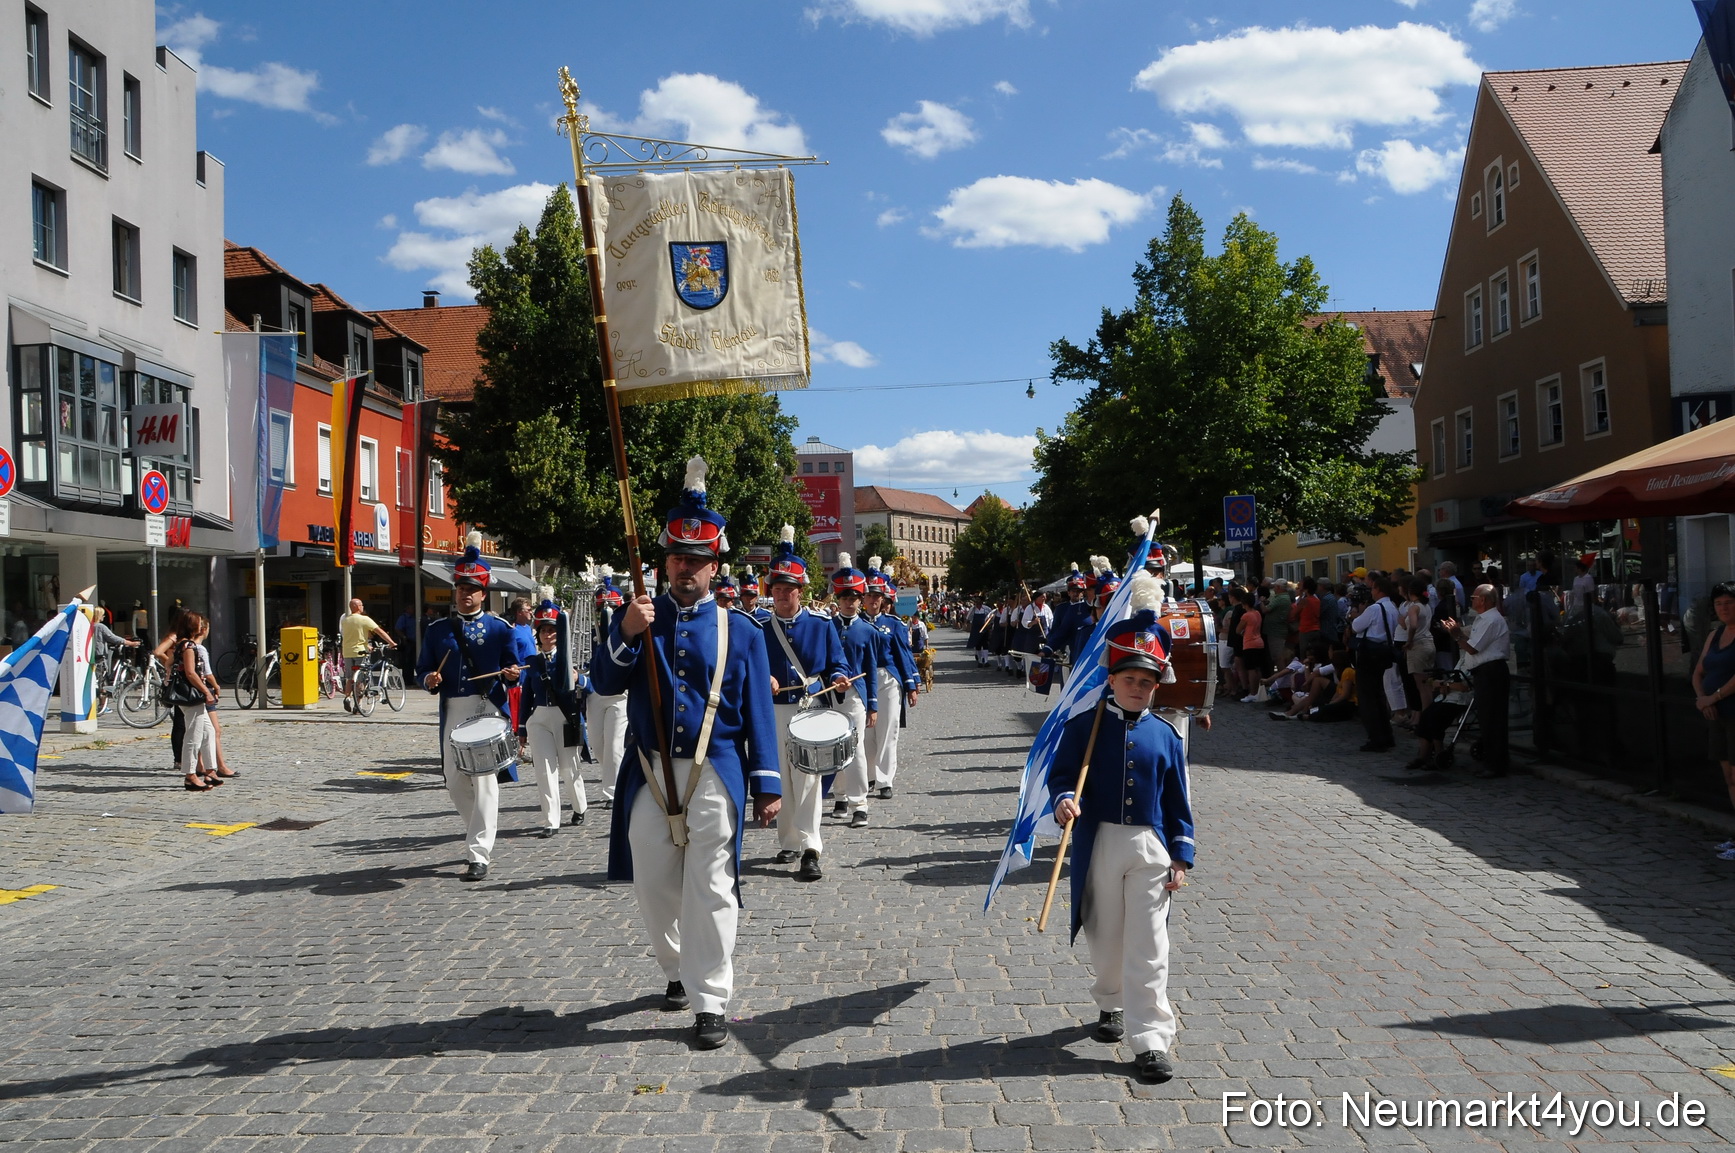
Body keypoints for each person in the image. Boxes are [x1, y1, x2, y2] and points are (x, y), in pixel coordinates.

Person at [594, 457, 781, 1051]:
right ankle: (676, 967)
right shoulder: (636, 619)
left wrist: (768, 783)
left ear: (715, 564)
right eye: (676, 558)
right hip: (648, 771)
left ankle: (710, 999)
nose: (685, 569)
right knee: (653, 881)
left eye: (696, 560)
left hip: (716, 772)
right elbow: (602, 683)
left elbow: (756, 711)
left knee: (713, 885)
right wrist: (624, 633)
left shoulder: (743, 630)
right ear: (663, 562)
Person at [1048, 600, 1195, 1085]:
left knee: (1150, 943)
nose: (1138, 688)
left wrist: (1180, 855)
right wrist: (1065, 799)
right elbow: (1063, 776)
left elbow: (1178, 801)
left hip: (1149, 847)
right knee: (1106, 935)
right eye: (1130, 679)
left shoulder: (1168, 735)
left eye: (1147, 682)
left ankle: (1151, 1037)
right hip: (1099, 842)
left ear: (1157, 685)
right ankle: (1110, 1003)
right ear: (1111, 679)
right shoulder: (1082, 726)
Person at [417, 545, 522, 881]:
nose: (466, 595)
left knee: (485, 781)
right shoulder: (437, 631)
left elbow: (514, 666)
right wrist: (429, 679)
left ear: (483, 593)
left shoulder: (500, 628)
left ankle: (479, 854)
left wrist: (512, 674)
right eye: (462, 589)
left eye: (473, 590)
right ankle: (479, 826)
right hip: (453, 708)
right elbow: (421, 670)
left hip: (487, 706)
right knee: (454, 782)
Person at [761, 525, 853, 881]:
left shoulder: (820, 623)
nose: (783, 596)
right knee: (781, 778)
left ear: (801, 591)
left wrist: (837, 678)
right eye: (778, 589)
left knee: (810, 781)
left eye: (789, 590)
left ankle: (811, 847)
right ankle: (788, 840)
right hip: (771, 712)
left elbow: (837, 662)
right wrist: (761, 679)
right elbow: (745, 668)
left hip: (810, 709)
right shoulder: (759, 627)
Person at [520, 600, 586, 835]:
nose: (547, 635)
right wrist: (521, 729)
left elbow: (591, 687)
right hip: (539, 717)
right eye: (543, 630)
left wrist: (579, 679)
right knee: (544, 771)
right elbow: (527, 695)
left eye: (552, 630)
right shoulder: (533, 662)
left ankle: (579, 807)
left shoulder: (570, 659)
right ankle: (551, 821)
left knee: (569, 768)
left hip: (565, 717)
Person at [827, 555, 882, 827]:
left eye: (854, 597)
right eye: (844, 597)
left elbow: (871, 669)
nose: (849, 602)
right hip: (829, 695)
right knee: (832, 748)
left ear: (861, 599)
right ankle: (839, 796)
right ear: (837, 599)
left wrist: (873, 704)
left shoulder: (869, 631)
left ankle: (859, 802)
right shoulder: (826, 627)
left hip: (856, 697)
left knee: (855, 748)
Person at [1440, 584, 1511, 778]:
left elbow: (1472, 648)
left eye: (1474, 597)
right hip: (1484, 673)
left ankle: (1496, 764)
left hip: (1492, 672)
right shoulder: (1483, 619)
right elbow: (1470, 641)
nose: (1471, 600)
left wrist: (1456, 634)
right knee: (1487, 719)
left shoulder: (1491, 620)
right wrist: (1457, 632)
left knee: (1493, 719)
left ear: (1483, 600)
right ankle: (1492, 761)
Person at [864, 559, 920, 800]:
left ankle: (885, 779)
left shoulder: (893, 624)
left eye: (878, 596)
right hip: (862, 679)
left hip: (887, 678)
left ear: (883, 599)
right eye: (869, 596)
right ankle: (866, 776)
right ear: (862, 598)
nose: (874, 600)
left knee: (887, 730)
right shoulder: (853, 624)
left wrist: (911, 685)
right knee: (865, 733)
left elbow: (903, 654)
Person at [1691, 583, 1735, 857]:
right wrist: (1701, 699)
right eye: (1719, 603)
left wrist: (1714, 697)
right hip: (1716, 714)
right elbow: (1698, 671)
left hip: (1732, 712)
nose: (1724, 608)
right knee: (1729, 776)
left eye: (1729, 602)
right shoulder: (1714, 635)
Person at [587, 568, 630, 809]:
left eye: (610, 606)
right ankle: (613, 779)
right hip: (594, 692)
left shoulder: (624, 631)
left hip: (618, 695)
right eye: (601, 606)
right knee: (598, 745)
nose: (605, 611)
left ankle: (613, 792)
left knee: (615, 744)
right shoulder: (586, 632)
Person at [1350, 575, 1399, 751]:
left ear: (1378, 590)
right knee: (1378, 695)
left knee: (1368, 698)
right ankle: (1386, 735)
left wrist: (1358, 613)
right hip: (1384, 651)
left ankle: (1376, 737)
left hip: (1370, 652)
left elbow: (1356, 626)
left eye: (1373, 589)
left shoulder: (1374, 608)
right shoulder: (1392, 607)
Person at [174, 612, 220, 791]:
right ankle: (190, 775)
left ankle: (210, 770)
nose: (202, 627)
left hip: (191, 694)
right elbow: (191, 673)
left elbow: (169, 663)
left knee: (208, 731)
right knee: (193, 735)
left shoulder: (181, 644)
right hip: (191, 695)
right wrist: (206, 691)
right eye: (199, 624)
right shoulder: (187, 646)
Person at [339, 599, 396, 713]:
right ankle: (358, 704)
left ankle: (347, 697)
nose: (362, 607)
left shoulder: (345, 620)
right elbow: (380, 632)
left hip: (347, 652)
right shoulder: (364, 619)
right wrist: (391, 643)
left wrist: (366, 644)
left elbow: (352, 635)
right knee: (361, 679)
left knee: (350, 678)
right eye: (361, 605)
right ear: (357, 607)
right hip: (360, 651)